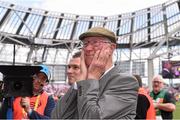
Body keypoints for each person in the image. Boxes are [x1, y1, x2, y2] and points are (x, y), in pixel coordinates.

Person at [51, 27, 139, 119]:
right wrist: (78, 84)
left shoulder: (125, 81)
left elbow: (91, 117)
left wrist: (92, 78)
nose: (88, 48)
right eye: (85, 44)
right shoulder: (82, 82)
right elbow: (56, 117)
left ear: (111, 48)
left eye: (95, 43)